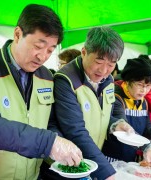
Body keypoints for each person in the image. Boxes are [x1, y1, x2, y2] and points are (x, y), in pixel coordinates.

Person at [0, 4, 82, 180]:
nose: (42, 56)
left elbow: (48, 122)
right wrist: (49, 143)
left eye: (50, 50)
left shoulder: (47, 77)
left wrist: (60, 143)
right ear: (18, 34)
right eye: (38, 46)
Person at [54, 26, 124, 179]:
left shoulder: (108, 81)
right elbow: (75, 130)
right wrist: (107, 173)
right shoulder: (65, 80)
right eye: (99, 61)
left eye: (111, 64)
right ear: (84, 52)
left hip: (91, 161)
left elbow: (100, 115)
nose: (104, 70)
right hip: (67, 165)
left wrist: (115, 124)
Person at [102, 57, 151, 164]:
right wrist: (148, 145)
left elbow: (147, 128)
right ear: (128, 81)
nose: (144, 90)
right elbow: (125, 130)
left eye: (148, 86)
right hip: (110, 157)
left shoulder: (142, 101)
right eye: (140, 85)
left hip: (129, 158)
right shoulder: (115, 97)